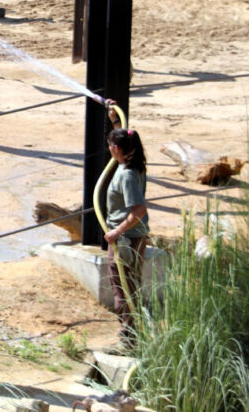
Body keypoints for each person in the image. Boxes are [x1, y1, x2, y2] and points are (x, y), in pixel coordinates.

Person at [104, 101, 149, 347]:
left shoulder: (128, 175)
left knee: (123, 287)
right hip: (128, 237)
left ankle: (129, 339)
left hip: (127, 239)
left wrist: (117, 231)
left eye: (111, 144)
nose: (108, 147)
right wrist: (115, 121)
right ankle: (131, 335)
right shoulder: (130, 163)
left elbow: (139, 210)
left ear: (117, 149)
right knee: (128, 284)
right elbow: (126, 136)